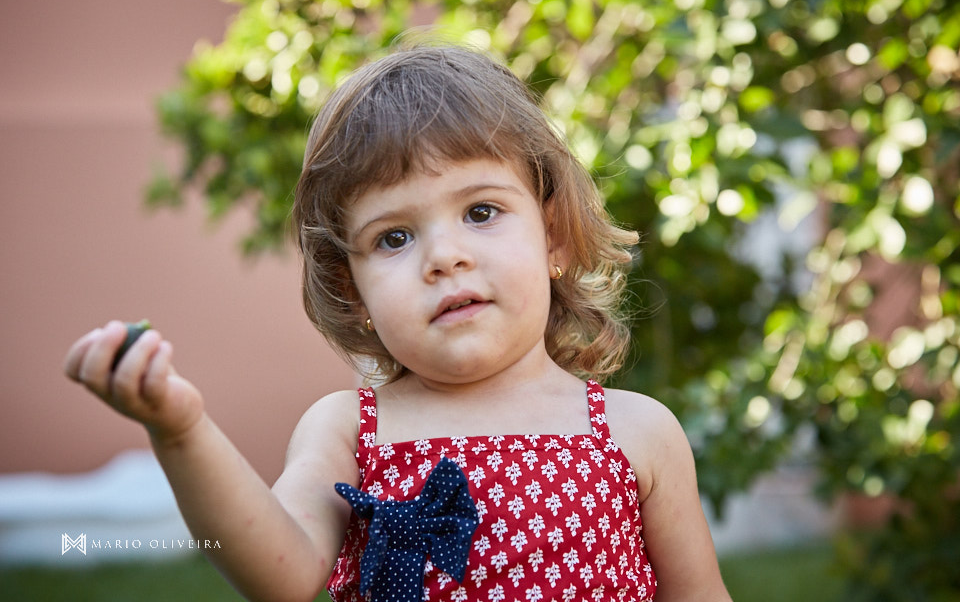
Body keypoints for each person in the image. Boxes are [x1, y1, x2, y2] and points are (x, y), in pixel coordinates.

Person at [64, 44, 730, 602]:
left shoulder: (635, 433)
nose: (444, 257)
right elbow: (280, 572)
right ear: (351, 289)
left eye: (480, 212)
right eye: (394, 238)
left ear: (553, 236)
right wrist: (180, 431)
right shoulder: (351, 430)